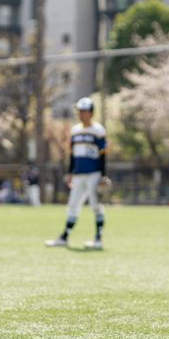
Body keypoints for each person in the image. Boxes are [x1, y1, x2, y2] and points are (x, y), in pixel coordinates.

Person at [45, 97, 108, 250]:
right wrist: (70, 173)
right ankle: (64, 237)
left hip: (93, 173)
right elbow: (72, 154)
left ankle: (98, 239)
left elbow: (103, 154)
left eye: (85, 111)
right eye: (80, 111)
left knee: (96, 205)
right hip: (79, 174)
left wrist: (103, 175)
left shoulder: (98, 130)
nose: (82, 114)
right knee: (73, 205)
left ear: (91, 113)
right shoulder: (75, 130)